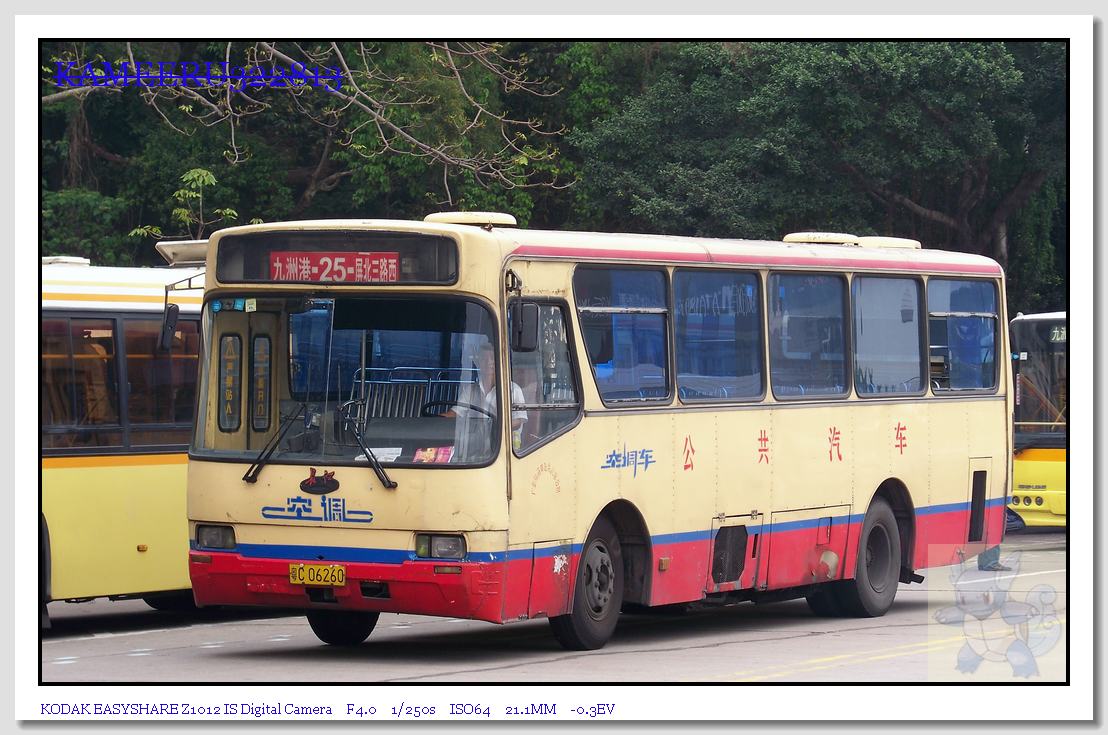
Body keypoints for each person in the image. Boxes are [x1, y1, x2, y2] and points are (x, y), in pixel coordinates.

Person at [449, 343, 527, 456]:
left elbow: (518, 422)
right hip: (473, 449)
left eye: (492, 358)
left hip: (504, 450)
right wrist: (434, 421)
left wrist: (491, 428)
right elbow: (455, 413)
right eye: (484, 358)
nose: (489, 362)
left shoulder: (513, 390)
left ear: (500, 362)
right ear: (478, 362)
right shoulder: (471, 390)